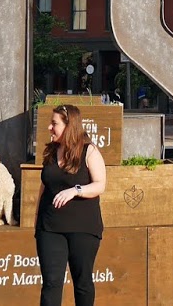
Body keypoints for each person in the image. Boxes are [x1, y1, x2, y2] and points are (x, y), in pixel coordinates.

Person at [36, 103, 106, 306]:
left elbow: (100, 184)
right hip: (49, 228)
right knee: (51, 283)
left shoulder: (89, 151)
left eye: (54, 124)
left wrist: (75, 190)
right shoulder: (51, 151)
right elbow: (45, 185)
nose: (50, 128)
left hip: (83, 227)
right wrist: (36, 222)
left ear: (69, 126)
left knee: (82, 283)